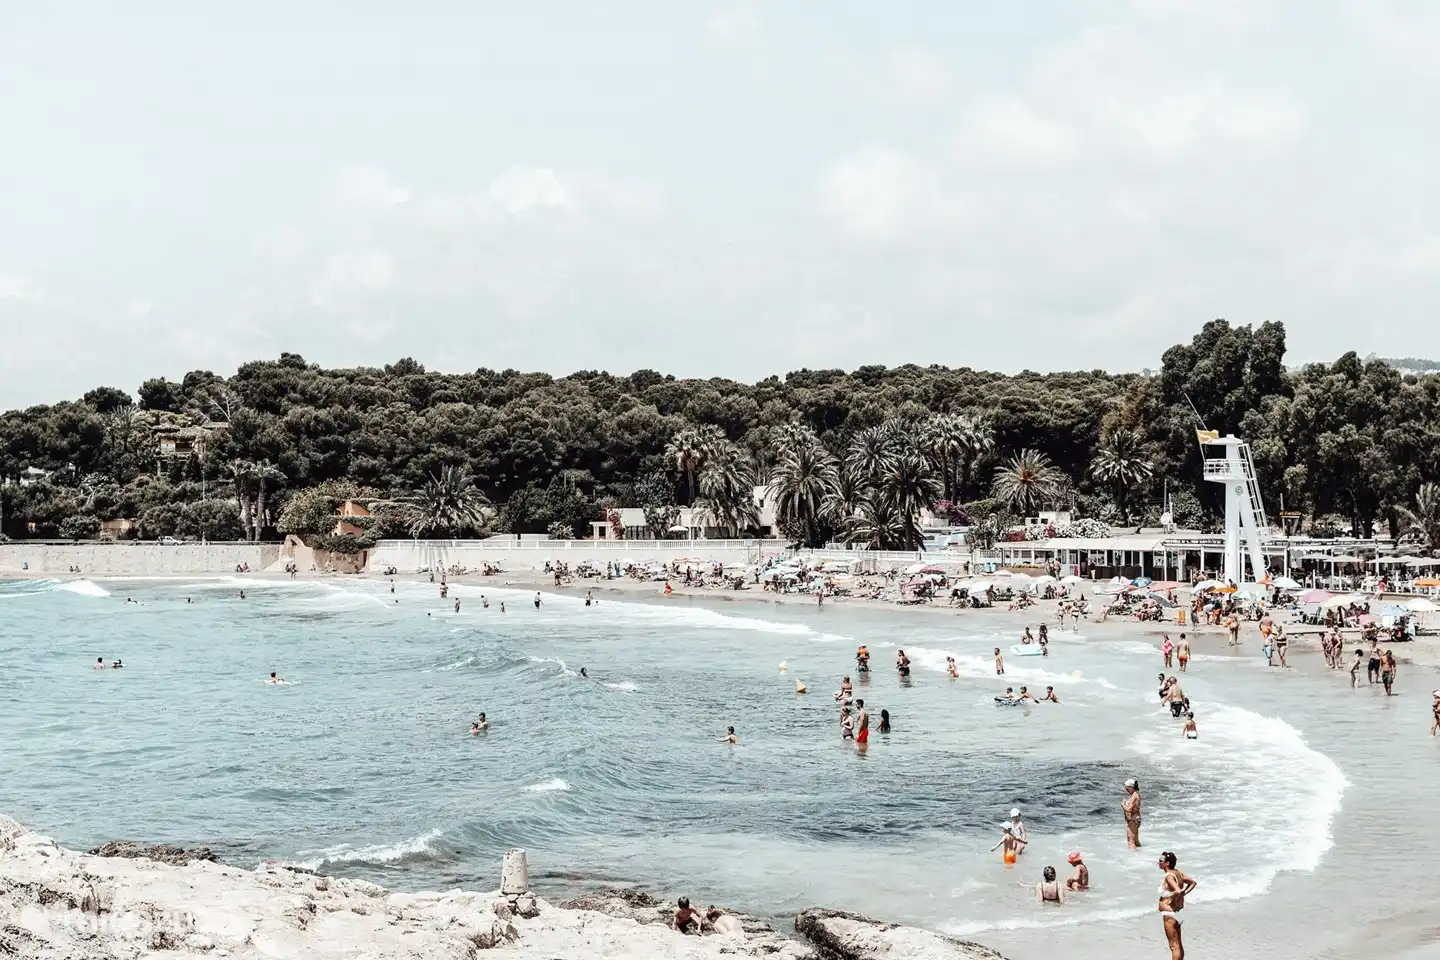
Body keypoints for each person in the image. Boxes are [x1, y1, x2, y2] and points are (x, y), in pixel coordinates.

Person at [1158, 851, 1197, 960]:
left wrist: (1175, 900)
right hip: (1177, 913)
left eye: (1161, 861)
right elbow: (1192, 883)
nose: (1159, 863)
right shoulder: (1178, 873)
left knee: (1173, 946)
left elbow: (1177, 891)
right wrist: (1183, 894)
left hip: (1170, 914)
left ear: (1168, 863)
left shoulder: (1169, 876)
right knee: (1178, 945)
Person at [1123, 779, 1143, 848]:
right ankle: (1140, 854)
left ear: (1131, 787)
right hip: (1136, 819)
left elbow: (1128, 810)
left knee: (1130, 841)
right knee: (1136, 841)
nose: (1126, 790)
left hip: (1133, 820)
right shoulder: (1136, 795)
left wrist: (1123, 804)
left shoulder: (1134, 796)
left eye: (1127, 788)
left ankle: (1131, 857)